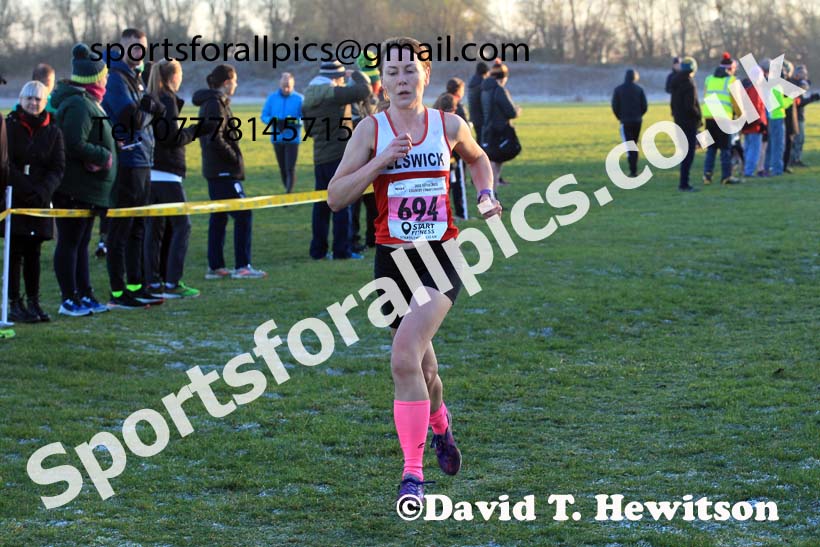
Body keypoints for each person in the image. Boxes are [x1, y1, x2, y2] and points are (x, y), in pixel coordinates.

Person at [326, 36, 502, 509]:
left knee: (404, 356)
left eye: (410, 70)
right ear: (381, 81)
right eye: (393, 72)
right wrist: (381, 162)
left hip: (439, 257)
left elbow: (479, 158)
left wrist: (485, 193)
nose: (402, 79)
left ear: (426, 74)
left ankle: (412, 475)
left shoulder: (448, 123)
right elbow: (336, 196)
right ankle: (441, 424)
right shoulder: (370, 130)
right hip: (391, 262)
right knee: (423, 366)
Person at [50, 43, 118, 316]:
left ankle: (85, 294)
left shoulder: (89, 102)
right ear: (94, 78)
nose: (107, 78)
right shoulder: (78, 104)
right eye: (104, 75)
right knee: (69, 242)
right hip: (73, 188)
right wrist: (102, 155)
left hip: (88, 190)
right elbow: (72, 142)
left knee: (80, 243)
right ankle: (69, 299)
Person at [102, 28, 164, 308]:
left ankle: (137, 285)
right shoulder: (115, 78)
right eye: (134, 47)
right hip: (127, 162)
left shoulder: (135, 77)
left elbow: (143, 114)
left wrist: (150, 107)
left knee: (139, 226)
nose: (139, 52)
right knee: (121, 229)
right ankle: (118, 292)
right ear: (122, 47)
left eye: (142, 47)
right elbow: (133, 119)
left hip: (143, 160)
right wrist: (150, 108)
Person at [193, 64, 267, 280]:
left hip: (217, 170)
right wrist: (234, 159)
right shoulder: (214, 104)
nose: (236, 84)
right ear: (226, 83)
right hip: (222, 170)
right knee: (243, 213)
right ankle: (242, 266)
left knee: (219, 216)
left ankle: (215, 267)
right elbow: (215, 138)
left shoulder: (216, 102)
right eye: (235, 81)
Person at [1, 81, 65, 323]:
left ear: (44, 101)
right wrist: (25, 187)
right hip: (15, 196)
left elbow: (58, 167)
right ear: (21, 98)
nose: (33, 103)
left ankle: (34, 301)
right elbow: (5, 163)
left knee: (34, 252)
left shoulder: (53, 130)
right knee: (15, 252)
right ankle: (15, 303)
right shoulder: (10, 126)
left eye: (38, 99)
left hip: (40, 199)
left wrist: (43, 191)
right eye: (29, 98)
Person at [143, 59, 200, 298]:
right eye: (180, 74)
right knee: (181, 225)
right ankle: (172, 282)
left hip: (152, 172)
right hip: (166, 173)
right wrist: (196, 130)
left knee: (155, 229)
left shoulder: (156, 96)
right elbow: (170, 137)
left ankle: (153, 281)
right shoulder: (166, 99)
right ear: (173, 77)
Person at [303, 59, 371, 260]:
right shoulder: (334, 94)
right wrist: (354, 75)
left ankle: (318, 250)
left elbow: (308, 130)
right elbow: (364, 90)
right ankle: (342, 250)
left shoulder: (308, 95)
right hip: (339, 156)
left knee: (321, 206)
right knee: (343, 203)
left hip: (320, 156)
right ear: (336, 77)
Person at [480, 61, 520, 190]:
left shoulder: (484, 89)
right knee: (495, 164)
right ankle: (491, 195)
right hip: (500, 131)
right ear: (503, 77)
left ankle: (492, 194)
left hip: (488, 130)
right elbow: (510, 112)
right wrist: (517, 111)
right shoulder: (499, 90)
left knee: (493, 161)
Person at [261, 72, 303, 193]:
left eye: (288, 86)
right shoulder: (271, 98)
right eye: (284, 85)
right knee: (282, 168)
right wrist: (275, 121)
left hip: (292, 139)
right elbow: (264, 116)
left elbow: (304, 118)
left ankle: (288, 194)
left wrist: (291, 121)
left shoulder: (299, 99)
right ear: (280, 84)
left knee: (290, 168)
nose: (286, 88)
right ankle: (287, 190)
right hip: (277, 138)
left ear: (293, 84)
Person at [702, 52, 740, 185]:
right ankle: (726, 176)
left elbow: (705, 95)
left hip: (709, 117)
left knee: (711, 148)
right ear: (730, 68)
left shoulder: (708, 79)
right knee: (725, 149)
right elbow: (736, 102)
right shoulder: (731, 81)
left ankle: (707, 175)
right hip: (724, 118)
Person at [669, 57, 701, 192]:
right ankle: (684, 183)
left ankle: (683, 182)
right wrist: (698, 116)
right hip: (689, 122)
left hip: (678, 121)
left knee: (684, 152)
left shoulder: (674, 81)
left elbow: (673, 103)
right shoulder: (689, 83)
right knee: (689, 153)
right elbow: (690, 106)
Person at [611, 69, 648, 177]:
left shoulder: (618, 89)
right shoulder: (639, 89)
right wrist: (639, 115)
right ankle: (634, 169)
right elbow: (644, 106)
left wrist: (620, 117)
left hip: (625, 121)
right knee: (634, 144)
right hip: (637, 121)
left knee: (629, 145)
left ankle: (633, 170)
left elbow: (615, 106)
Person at [741, 66, 767, 178]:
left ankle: (745, 169)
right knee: (754, 150)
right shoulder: (755, 89)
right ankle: (749, 171)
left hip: (746, 123)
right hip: (755, 125)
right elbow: (756, 107)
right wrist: (761, 123)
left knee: (747, 147)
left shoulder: (745, 87)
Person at [791, 65, 820, 167]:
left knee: (800, 139)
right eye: (803, 74)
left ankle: (795, 159)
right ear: (797, 74)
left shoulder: (798, 84)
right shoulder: (794, 85)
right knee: (798, 139)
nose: (805, 76)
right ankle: (794, 160)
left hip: (799, 116)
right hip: (797, 117)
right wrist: (811, 99)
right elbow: (798, 102)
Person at [466, 62, 489, 142]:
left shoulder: (472, 81)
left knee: (479, 138)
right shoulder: (482, 83)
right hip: (481, 117)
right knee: (482, 141)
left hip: (474, 116)